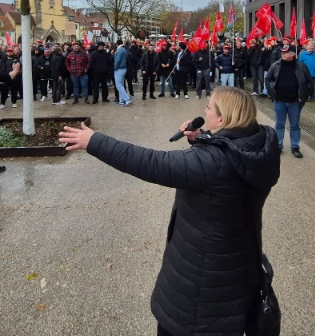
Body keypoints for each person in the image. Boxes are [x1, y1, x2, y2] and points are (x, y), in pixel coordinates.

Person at [57, 87, 281, 336]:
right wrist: (203, 138)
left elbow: (150, 162)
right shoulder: (259, 145)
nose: (204, 110)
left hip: (202, 283)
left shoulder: (212, 162)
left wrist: (94, 141)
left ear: (223, 118)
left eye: (209, 107)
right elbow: (230, 154)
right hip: (239, 268)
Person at [266, 44, 313, 158]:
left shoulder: (301, 66)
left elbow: (309, 82)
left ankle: (295, 146)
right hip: (280, 100)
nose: (282, 54)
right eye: (282, 52)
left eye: (285, 52)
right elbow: (267, 79)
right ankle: (278, 145)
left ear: (292, 54)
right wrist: (272, 94)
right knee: (279, 124)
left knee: (295, 125)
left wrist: (303, 97)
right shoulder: (276, 65)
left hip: (295, 102)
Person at [113, 41, 131, 106]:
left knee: (118, 85)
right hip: (123, 68)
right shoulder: (124, 50)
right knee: (121, 85)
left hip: (119, 69)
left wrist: (115, 68)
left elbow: (117, 60)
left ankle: (127, 98)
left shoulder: (120, 50)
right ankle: (122, 100)